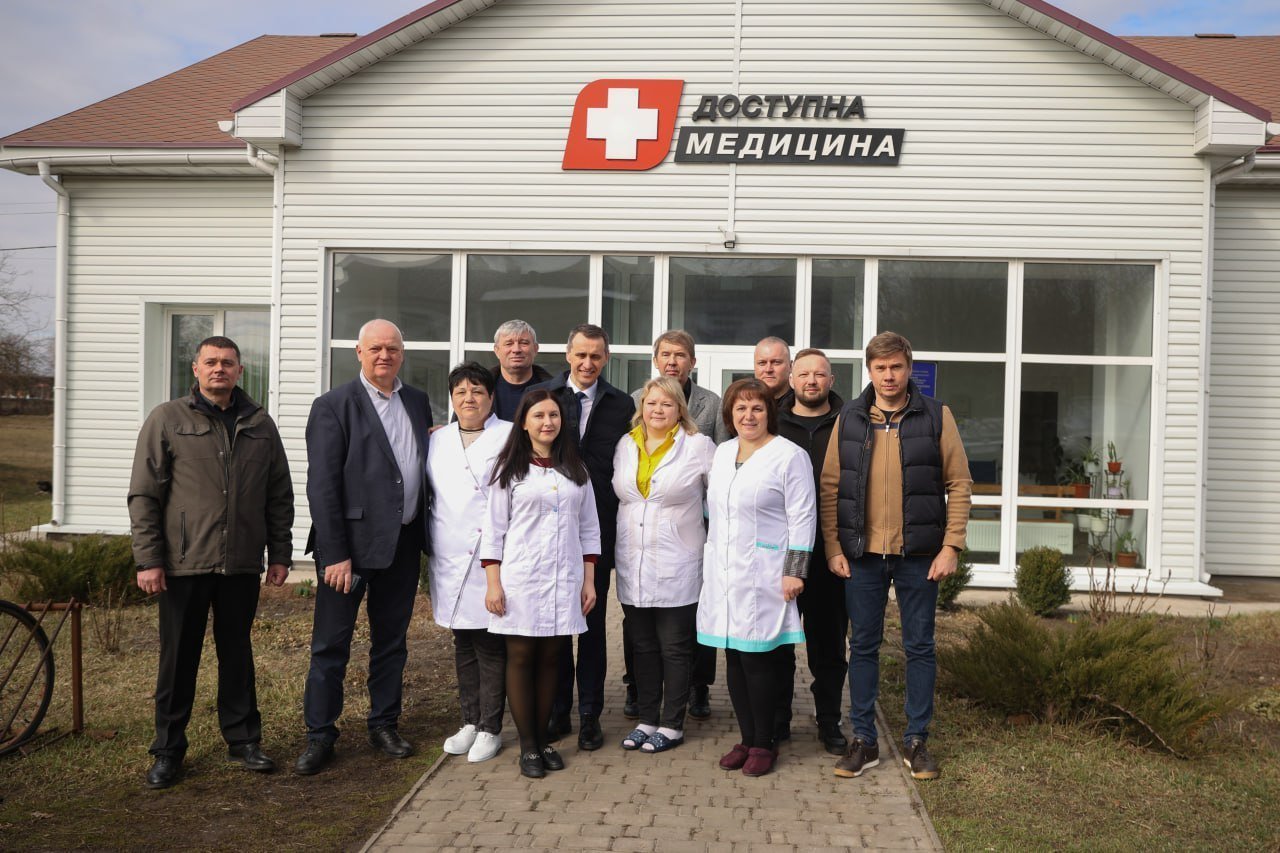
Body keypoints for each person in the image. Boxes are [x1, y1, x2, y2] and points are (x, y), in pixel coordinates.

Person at [128, 335, 293, 790]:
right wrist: (148, 560)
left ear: (240, 371)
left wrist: (280, 553)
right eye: (211, 362)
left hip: (240, 563)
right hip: (183, 564)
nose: (219, 369)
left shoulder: (260, 424)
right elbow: (144, 494)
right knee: (178, 659)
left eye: (228, 362)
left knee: (237, 654)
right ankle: (168, 750)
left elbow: (279, 494)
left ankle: (244, 741)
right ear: (196, 369)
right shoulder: (167, 419)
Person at [821, 331, 971, 781]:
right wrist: (833, 546)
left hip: (919, 554)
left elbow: (959, 483)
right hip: (862, 555)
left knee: (919, 646)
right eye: (880, 368)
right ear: (869, 370)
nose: (888, 376)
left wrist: (951, 546)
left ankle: (917, 740)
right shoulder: (849, 417)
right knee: (863, 646)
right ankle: (864, 741)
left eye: (896, 367)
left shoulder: (937, 416)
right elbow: (830, 486)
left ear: (909, 368)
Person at [296, 318, 433, 776]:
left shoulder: (416, 401)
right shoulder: (333, 405)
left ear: (402, 353)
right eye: (375, 348)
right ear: (359, 352)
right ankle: (320, 735)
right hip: (348, 551)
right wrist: (335, 553)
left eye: (392, 348)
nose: (384, 356)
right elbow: (322, 487)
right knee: (330, 646)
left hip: (402, 544)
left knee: (391, 643)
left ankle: (384, 725)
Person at [481, 389, 601, 778]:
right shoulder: (508, 471)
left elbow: (590, 529)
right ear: (523, 422)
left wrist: (589, 581)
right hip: (521, 578)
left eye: (553, 415)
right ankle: (528, 746)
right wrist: (493, 583)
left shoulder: (576, 470)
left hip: (565, 578)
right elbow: (493, 531)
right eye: (538, 415)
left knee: (553, 656)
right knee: (520, 657)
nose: (547, 422)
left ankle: (545, 739)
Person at [699, 379, 816, 778]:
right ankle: (747, 739)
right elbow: (715, 510)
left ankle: (765, 743)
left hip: (768, 572)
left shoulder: (789, 456)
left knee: (758, 657)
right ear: (729, 415)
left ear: (770, 413)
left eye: (757, 408)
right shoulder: (723, 453)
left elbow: (803, 516)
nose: (748, 416)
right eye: (740, 409)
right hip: (724, 571)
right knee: (733, 653)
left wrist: (794, 571)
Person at [533, 323, 634, 751]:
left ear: (605, 358)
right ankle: (558, 710)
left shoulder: (622, 404)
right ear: (568, 355)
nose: (587, 363)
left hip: (599, 529)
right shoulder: (544, 396)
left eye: (595, 356)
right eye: (581, 355)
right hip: (549, 529)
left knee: (592, 625)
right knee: (556, 625)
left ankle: (590, 713)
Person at [625, 329, 726, 721]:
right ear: (656, 360)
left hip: (691, 527)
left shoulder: (711, 403)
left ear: (692, 362)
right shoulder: (637, 398)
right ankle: (637, 689)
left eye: (680, 355)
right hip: (642, 537)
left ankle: (699, 688)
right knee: (640, 625)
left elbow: (719, 465)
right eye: (665, 354)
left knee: (690, 619)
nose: (672, 361)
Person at [612, 377, 716, 753]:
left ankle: (672, 723)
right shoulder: (626, 444)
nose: (658, 410)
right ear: (642, 407)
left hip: (679, 560)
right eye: (652, 403)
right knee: (642, 646)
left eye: (667, 404)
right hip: (634, 559)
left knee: (674, 646)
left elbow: (720, 499)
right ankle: (646, 718)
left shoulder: (698, 446)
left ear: (679, 410)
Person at [426, 362, 513, 764]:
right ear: (452, 398)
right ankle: (469, 721)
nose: (469, 398)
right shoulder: (438, 440)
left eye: (477, 391)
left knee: (490, 644)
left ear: (491, 397)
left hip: (492, 554)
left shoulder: (510, 435)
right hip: (448, 552)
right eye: (460, 392)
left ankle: (491, 727)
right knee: (462, 641)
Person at [776, 348, 848, 756]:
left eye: (819, 374)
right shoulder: (774, 422)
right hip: (780, 555)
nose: (811, 381)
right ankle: (778, 719)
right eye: (803, 374)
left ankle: (829, 720)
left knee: (829, 647)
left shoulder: (850, 422)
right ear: (791, 379)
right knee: (779, 644)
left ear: (831, 380)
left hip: (830, 553)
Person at [491, 319, 552, 421]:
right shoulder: (480, 389)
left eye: (524, 343)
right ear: (497, 350)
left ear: (535, 349)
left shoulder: (555, 390)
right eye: (509, 344)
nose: (516, 350)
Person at [753, 336, 793, 404]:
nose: (768, 370)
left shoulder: (803, 405)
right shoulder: (742, 403)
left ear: (790, 366)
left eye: (776, 362)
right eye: (762, 363)